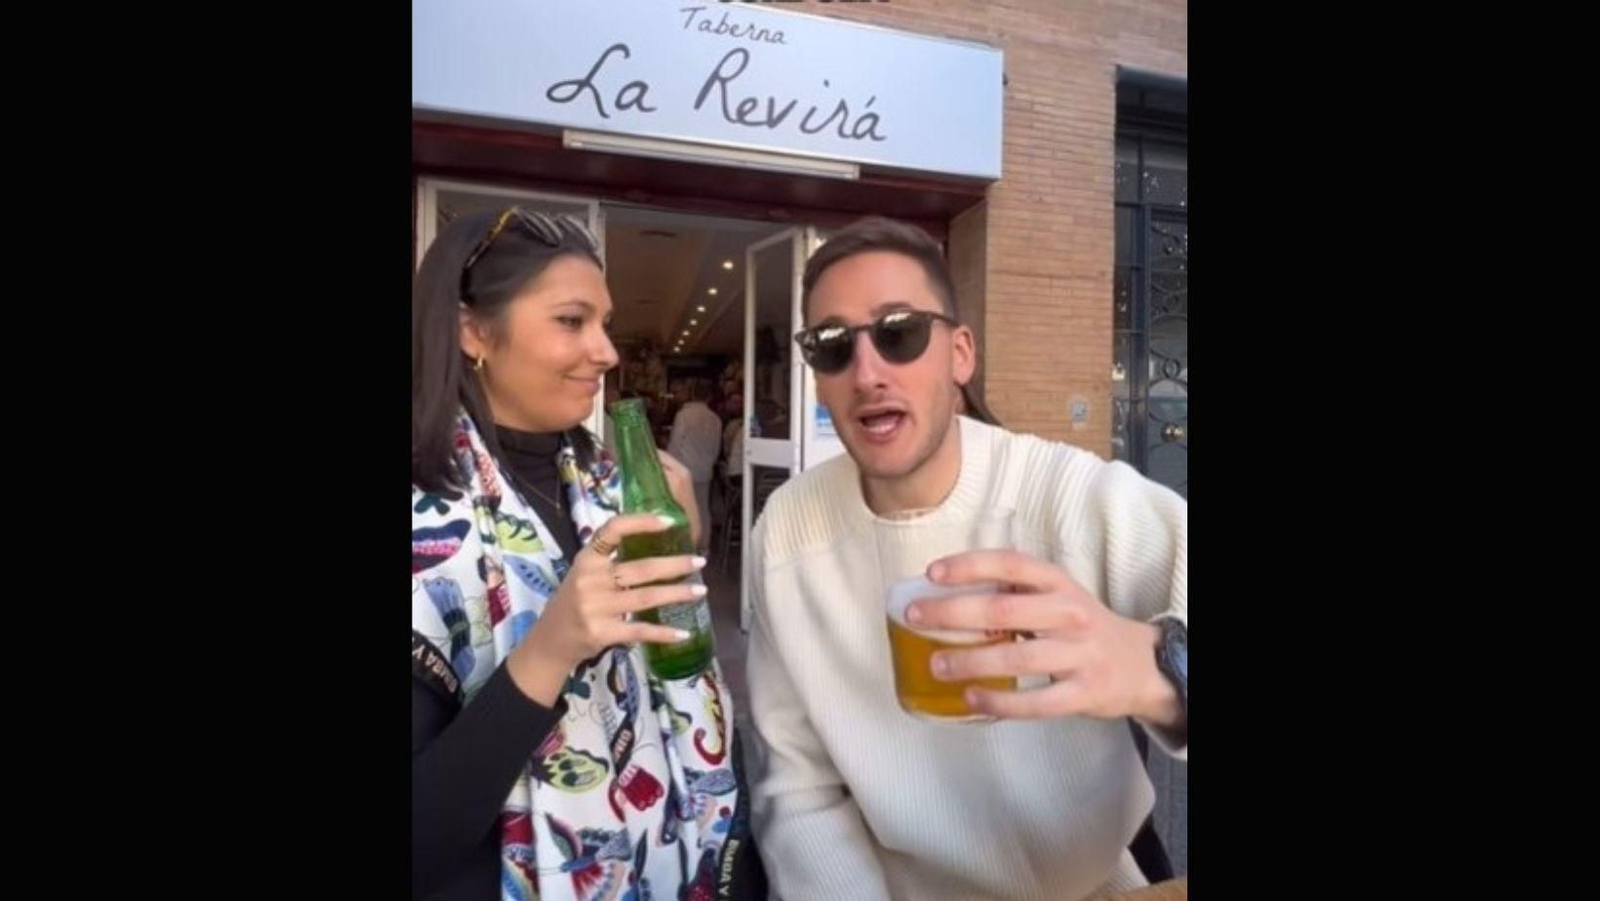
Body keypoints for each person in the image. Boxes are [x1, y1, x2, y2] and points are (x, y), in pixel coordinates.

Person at [746, 217, 1187, 901]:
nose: (867, 372)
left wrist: (1163, 668)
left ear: (959, 354)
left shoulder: (1063, 495)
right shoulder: (787, 531)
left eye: (899, 333)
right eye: (832, 346)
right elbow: (799, 786)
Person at [412, 207, 763, 901]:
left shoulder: (607, 487)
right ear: (472, 331)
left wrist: (681, 549)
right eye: (572, 321)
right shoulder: (426, 526)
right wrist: (548, 651)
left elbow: (682, 686)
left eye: (603, 324)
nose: (606, 351)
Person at [666, 382, 722, 555]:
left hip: (684, 468)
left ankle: (685, 545)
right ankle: (704, 546)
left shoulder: (683, 415)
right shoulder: (715, 418)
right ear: (709, 397)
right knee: (703, 508)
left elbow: (675, 443)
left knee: (682, 508)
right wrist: (710, 462)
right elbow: (716, 447)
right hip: (705, 469)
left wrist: (669, 463)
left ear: (691, 394)